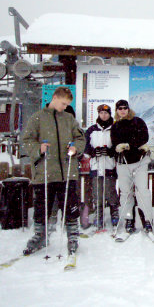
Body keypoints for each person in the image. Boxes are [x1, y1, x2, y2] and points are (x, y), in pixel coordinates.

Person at [22, 86, 86, 255]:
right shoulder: (37, 118)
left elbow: (80, 138)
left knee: (71, 206)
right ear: (55, 98)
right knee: (42, 206)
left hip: (67, 172)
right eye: (64, 103)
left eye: (67, 105)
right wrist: (38, 148)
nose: (65, 107)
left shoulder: (69, 119)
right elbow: (27, 140)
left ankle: (73, 235)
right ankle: (40, 235)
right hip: (45, 171)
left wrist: (75, 149)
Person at [110, 99, 153, 233]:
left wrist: (129, 145)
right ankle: (129, 219)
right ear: (116, 111)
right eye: (120, 108)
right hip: (123, 163)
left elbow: (144, 137)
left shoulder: (137, 121)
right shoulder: (115, 126)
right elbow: (115, 141)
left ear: (128, 109)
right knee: (126, 192)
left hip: (139, 161)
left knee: (142, 191)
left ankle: (147, 219)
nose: (122, 110)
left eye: (125, 108)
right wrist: (118, 147)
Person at [84, 104, 119, 229]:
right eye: (101, 113)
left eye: (106, 113)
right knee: (97, 191)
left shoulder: (114, 128)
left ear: (110, 114)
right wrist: (93, 152)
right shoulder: (92, 130)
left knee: (110, 190)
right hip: (96, 165)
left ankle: (114, 212)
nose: (104, 116)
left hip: (109, 164)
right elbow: (85, 146)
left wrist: (111, 152)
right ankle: (99, 214)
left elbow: (118, 146)